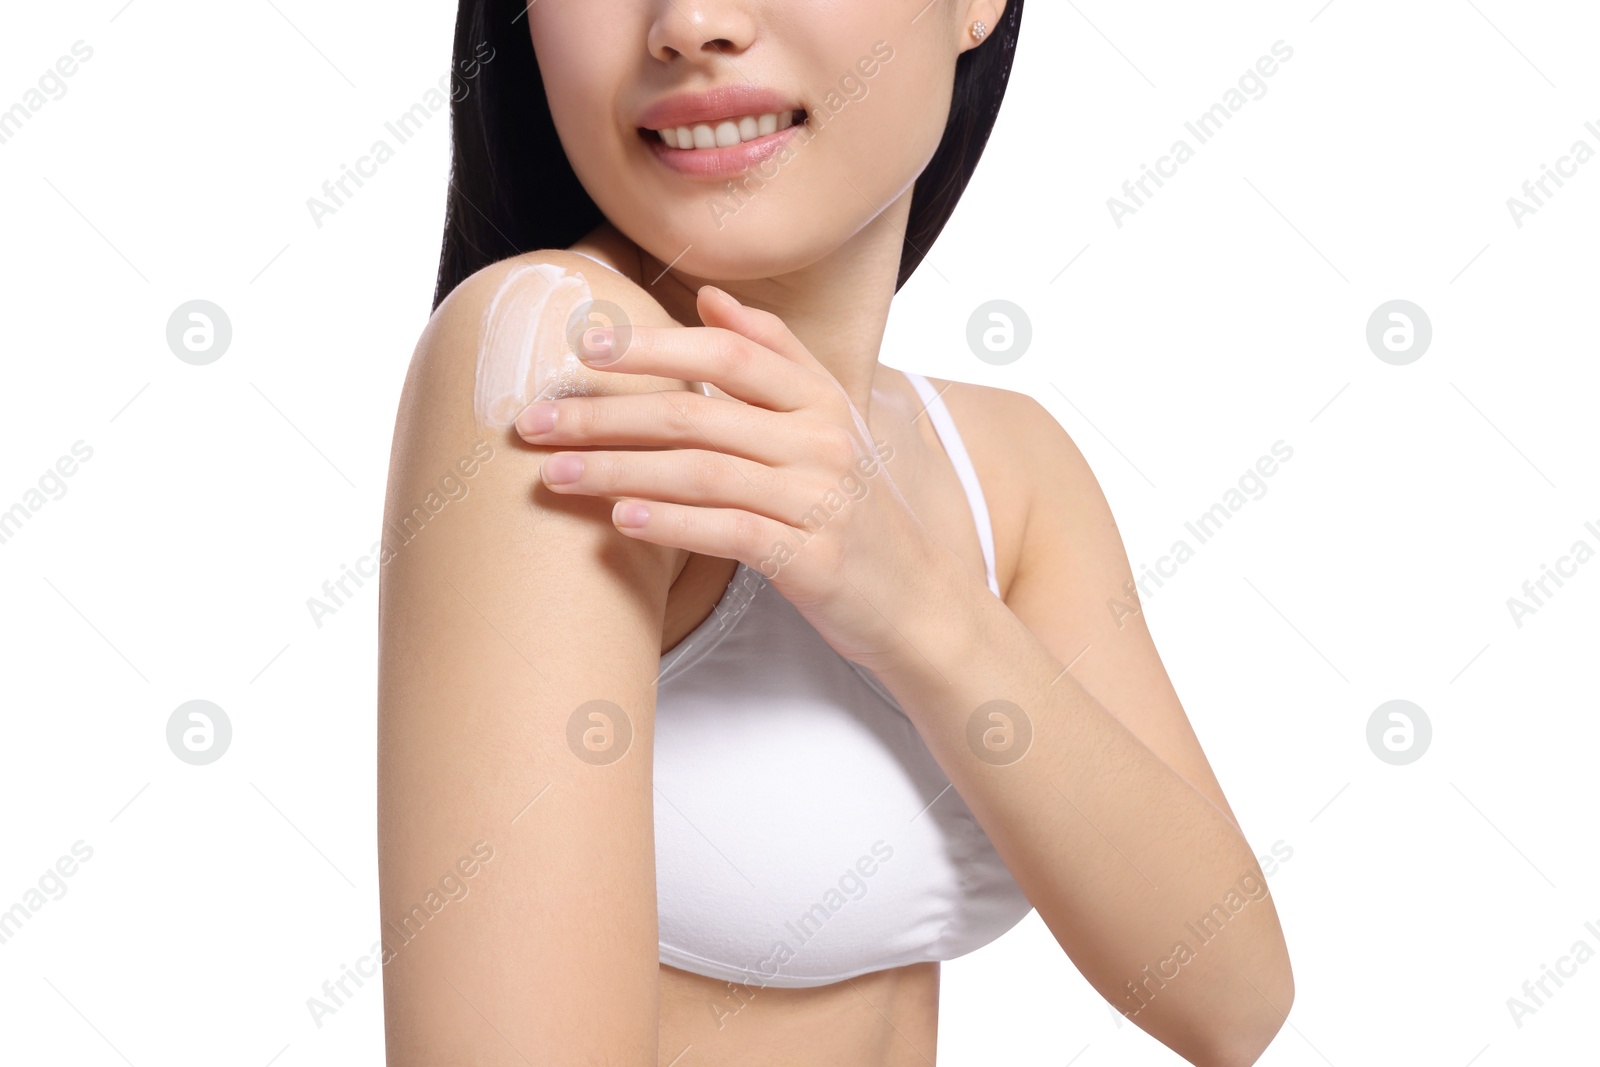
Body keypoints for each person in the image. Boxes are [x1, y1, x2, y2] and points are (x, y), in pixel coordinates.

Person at [377, 1, 1294, 1063]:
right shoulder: (569, 359)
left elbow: (1231, 999)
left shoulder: (1001, 460)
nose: (690, 23)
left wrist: (909, 598)